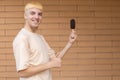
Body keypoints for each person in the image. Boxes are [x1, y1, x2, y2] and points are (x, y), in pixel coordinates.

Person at [12, 1, 77, 80]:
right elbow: (22, 72)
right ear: (25, 16)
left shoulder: (40, 37)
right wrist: (49, 64)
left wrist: (69, 43)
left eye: (39, 14)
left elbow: (54, 59)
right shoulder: (22, 38)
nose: (36, 17)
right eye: (32, 13)